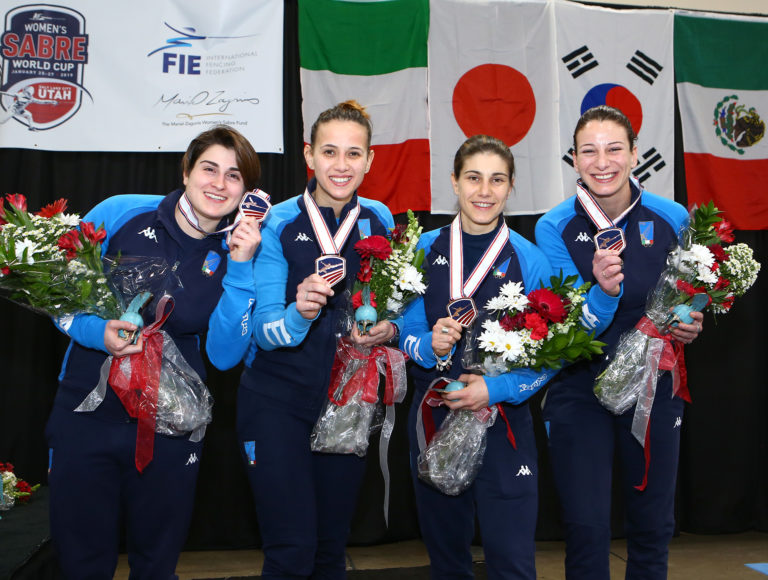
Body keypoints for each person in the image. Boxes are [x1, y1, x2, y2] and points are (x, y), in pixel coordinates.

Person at [46, 125, 262, 578]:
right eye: (209, 168)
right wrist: (96, 332)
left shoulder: (241, 252)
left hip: (172, 426)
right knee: (81, 564)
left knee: (156, 565)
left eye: (234, 175)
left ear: (246, 190)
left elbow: (224, 356)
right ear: (185, 170)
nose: (219, 184)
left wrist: (241, 269)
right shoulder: (121, 212)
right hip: (87, 416)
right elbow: (58, 299)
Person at [397, 135, 617, 580]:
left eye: (497, 180)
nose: (484, 190)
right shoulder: (422, 250)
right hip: (434, 415)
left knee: (513, 563)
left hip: (505, 423)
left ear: (511, 186)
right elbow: (402, 330)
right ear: (454, 183)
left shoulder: (530, 258)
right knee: (446, 562)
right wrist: (428, 345)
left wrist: (495, 388)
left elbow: (558, 351)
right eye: (473, 178)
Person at [207, 100, 397, 579]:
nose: (341, 165)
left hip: (347, 404)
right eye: (330, 152)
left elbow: (402, 309)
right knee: (291, 550)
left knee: (332, 550)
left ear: (370, 160)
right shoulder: (276, 222)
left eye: (354, 154)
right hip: (276, 402)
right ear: (309, 156)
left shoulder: (381, 221)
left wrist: (389, 329)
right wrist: (299, 313)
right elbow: (266, 333)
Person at [535, 105, 703, 579]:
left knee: (653, 521)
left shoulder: (671, 217)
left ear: (634, 155)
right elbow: (562, 321)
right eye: (589, 150)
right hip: (578, 387)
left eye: (614, 149)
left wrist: (691, 319)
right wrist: (600, 291)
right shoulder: (555, 225)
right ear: (573, 159)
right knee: (586, 525)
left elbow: (697, 285)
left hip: (654, 386)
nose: (601, 161)